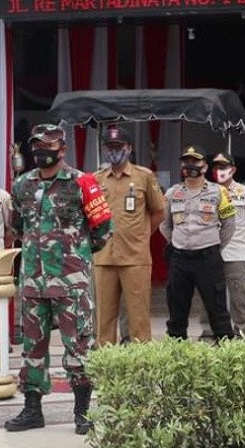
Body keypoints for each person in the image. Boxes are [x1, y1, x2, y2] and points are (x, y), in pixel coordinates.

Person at [5, 123, 113, 435]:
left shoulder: (83, 183)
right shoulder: (22, 184)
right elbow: (17, 227)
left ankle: (81, 413)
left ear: (62, 150)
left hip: (71, 284)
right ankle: (32, 410)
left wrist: (75, 254)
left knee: (78, 347)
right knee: (32, 348)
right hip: (33, 284)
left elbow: (103, 230)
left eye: (49, 147)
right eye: (37, 146)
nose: (42, 152)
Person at [93, 127, 164, 345]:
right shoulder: (97, 179)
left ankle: (140, 368)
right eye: (110, 147)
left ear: (129, 148)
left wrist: (140, 235)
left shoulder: (144, 177)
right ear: (104, 150)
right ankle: (106, 366)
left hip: (135, 258)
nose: (115, 152)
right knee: (103, 319)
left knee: (138, 319)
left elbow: (159, 212)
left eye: (119, 147)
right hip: (104, 258)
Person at [159, 146, 236, 340]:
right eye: (186, 162)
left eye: (195, 162)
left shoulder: (218, 192)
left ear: (205, 166)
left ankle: (227, 356)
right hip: (180, 260)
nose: (190, 166)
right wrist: (179, 242)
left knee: (218, 312)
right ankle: (177, 358)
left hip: (208, 259)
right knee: (177, 314)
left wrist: (213, 246)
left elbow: (229, 226)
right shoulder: (171, 193)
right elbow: (165, 225)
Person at [209, 152, 245, 337]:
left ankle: (242, 336)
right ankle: (217, 336)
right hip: (210, 255)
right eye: (216, 167)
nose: (219, 171)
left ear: (233, 169)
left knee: (239, 300)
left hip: (236, 255)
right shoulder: (207, 191)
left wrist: (244, 240)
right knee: (211, 300)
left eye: (223, 167)